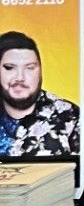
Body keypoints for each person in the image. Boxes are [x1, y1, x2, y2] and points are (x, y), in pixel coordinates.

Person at [0, 31, 79, 159]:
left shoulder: (70, 117)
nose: (20, 77)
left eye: (29, 68)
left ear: (40, 71)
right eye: (9, 68)